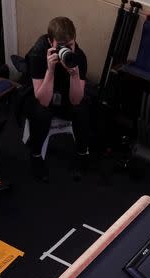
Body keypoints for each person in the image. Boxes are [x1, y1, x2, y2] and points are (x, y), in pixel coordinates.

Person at [26, 16, 91, 182]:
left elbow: (76, 100)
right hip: (44, 96)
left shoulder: (79, 56)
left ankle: (82, 154)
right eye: (60, 47)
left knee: (83, 109)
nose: (66, 51)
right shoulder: (38, 54)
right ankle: (36, 156)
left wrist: (75, 75)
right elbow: (43, 100)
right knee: (40, 112)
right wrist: (50, 71)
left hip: (66, 98)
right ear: (50, 42)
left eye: (70, 45)